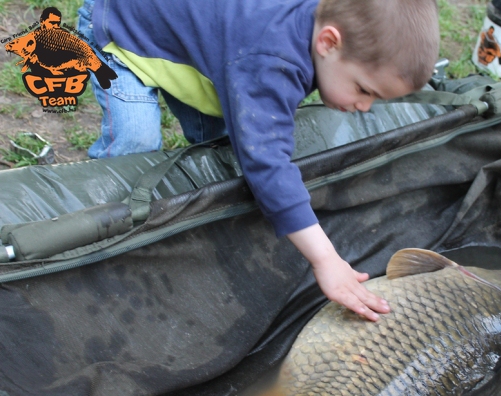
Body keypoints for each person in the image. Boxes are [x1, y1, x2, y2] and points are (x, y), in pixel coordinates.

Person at [77, 0, 440, 321]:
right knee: (136, 145)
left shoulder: (316, 29)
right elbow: (267, 165)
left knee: (218, 148)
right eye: (364, 89)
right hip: (122, 33)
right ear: (328, 42)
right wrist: (326, 260)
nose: (363, 107)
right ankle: (96, 239)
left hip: (208, 47)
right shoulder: (272, 61)